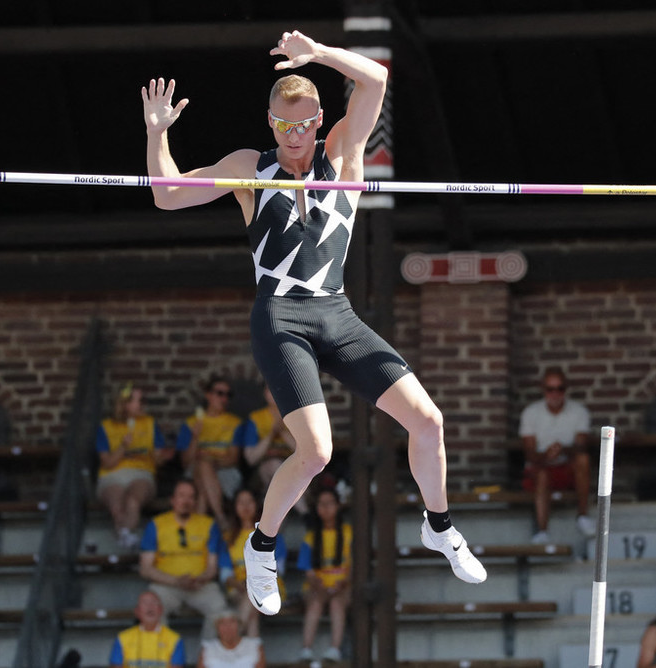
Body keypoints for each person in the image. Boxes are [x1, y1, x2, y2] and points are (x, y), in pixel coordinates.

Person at [142, 29, 486, 616]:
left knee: (428, 421)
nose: (294, 137)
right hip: (280, 316)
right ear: (270, 122)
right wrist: (157, 137)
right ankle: (261, 547)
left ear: (320, 118)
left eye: (302, 125)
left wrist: (321, 54)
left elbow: (376, 79)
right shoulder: (251, 167)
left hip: (337, 312)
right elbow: (167, 194)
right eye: (282, 125)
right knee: (318, 451)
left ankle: (438, 525)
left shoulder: (344, 151)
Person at [139, 479, 233, 640]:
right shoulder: (156, 525)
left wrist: (200, 578)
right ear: (172, 500)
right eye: (181, 496)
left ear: (196, 501)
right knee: (151, 608)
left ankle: (207, 659)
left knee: (220, 610)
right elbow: (145, 568)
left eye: (191, 497)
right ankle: (164, 658)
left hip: (199, 584)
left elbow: (212, 567)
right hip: (166, 585)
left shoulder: (208, 525)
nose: (186, 501)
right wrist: (176, 581)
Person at [518, 367, 594, 542]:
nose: (555, 393)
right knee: (542, 473)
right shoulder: (530, 413)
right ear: (543, 390)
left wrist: (562, 450)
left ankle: (582, 516)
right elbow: (529, 454)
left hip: (567, 470)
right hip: (540, 470)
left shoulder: (579, 412)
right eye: (550, 389)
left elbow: (581, 446)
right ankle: (543, 531)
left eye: (560, 388)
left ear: (566, 389)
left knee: (583, 459)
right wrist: (546, 455)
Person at [97, 382, 174, 550]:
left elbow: (158, 458)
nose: (142, 404)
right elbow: (107, 463)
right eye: (137, 400)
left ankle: (124, 539)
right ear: (123, 403)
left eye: (143, 400)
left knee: (132, 501)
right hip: (112, 475)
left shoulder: (149, 423)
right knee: (117, 506)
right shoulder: (107, 426)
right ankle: (127, 538)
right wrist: (123, 447)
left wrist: (163, 457)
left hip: (142, 473)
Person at [177, 375, 250, 527]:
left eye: (227, 395)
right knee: (202, 470)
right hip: (195, 472)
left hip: (226, 472)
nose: (224, 398)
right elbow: (185, 462)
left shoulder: (235, 423)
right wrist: (195, 438)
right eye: (219, 393)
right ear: (208, 395)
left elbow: (233, 459)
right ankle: (221, 517)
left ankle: (197, 529)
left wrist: (210, 460)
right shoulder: (191, 423)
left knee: (203, 476)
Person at [223, 487, 287, 638]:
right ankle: (251, 649)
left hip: (269, 589)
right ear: (234, 507)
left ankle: (233, 638)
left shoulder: (271, 535)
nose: (245, 507)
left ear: (257, 505)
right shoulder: (228, 538)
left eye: (249, 502)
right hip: (237, 589)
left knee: (253, 596)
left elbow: (278, 570)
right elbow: (225, 574)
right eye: (240, 503)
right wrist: (246, 587)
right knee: (251, 597)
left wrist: (252, 587)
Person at [297, 487, 352, 662]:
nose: (326, 508)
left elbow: (355, 564)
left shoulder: (349, 532)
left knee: (337, 604)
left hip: (343, 586)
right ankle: (306, 650)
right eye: (322, 504)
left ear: (338, 506)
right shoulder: (311, 536)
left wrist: (343, 583)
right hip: (316, 586)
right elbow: (307, 569)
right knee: (315, 603)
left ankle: (334, 650)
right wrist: (318, 584)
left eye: (330, 503)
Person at [242, 384, 300, 509]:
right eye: (270, 389)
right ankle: (305, 512)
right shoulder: (256, 418)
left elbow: (303, 451)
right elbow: (251, 459)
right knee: (274, 465)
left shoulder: (296, 415)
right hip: (263, 472)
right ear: (265, 393)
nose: (274, 391)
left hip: (296, 468)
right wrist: (272, 434)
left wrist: (282, 432)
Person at [109, 590, 185, 668]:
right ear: (137, 611)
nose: (150, 606)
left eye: (154, 602)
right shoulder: (123, 638)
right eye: (145, 603)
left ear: (161, 610)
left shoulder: (174, 639)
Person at [197, 610, 265, 668]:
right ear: (216, 627)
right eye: (222, 623)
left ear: (239, 625)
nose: (228, 627)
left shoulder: (254, 645)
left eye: (232, 622)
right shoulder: (208, 648)